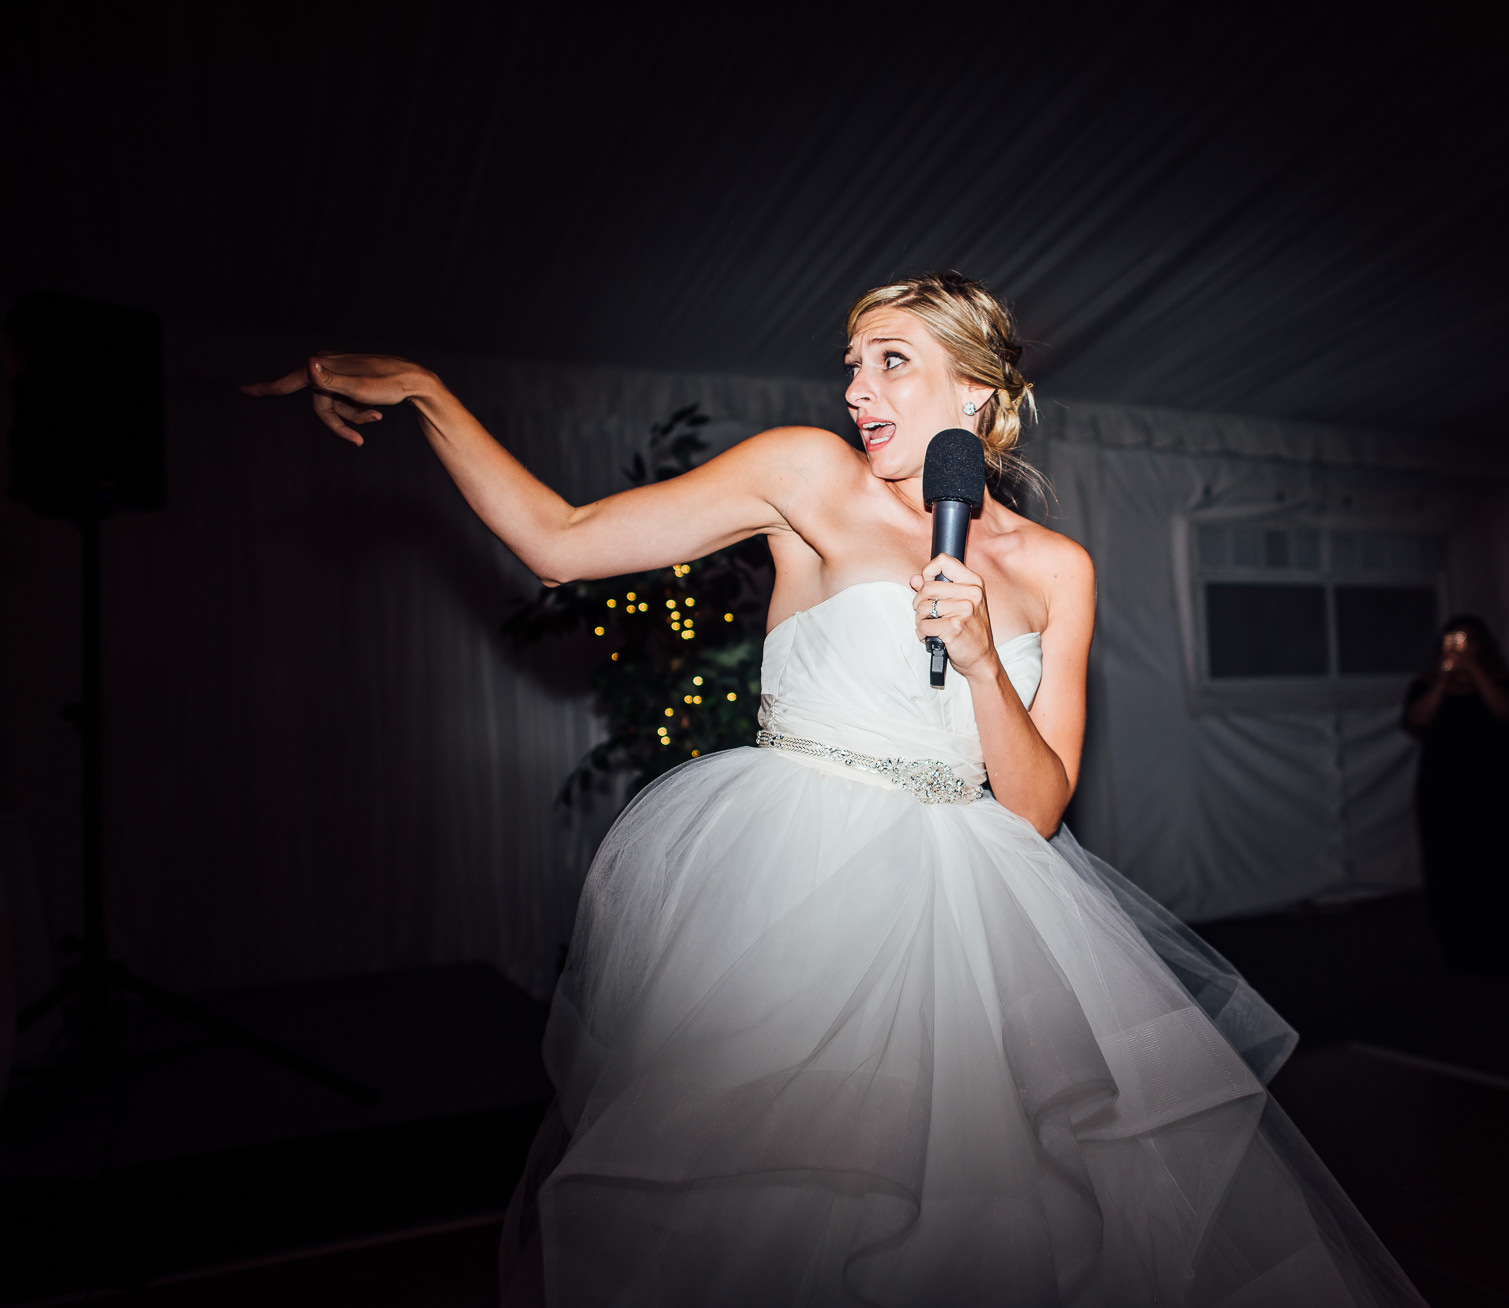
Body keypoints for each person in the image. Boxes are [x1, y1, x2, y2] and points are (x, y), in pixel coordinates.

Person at [247, 274, 1422, 1307]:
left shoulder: (1057, 569)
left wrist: (977, 665)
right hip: (797, 887)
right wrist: (428, 395)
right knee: (770, 1215)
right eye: (851, 363)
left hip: (979, 921)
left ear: (979, 394)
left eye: (891, 362)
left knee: (981, 1229)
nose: (858, 388)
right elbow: (559, 542)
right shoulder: (807, 476)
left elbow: (1036, 808)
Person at [1402, 616, 1509, 975]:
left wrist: (1476, 672)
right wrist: (1444, 680)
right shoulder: (1426, 683)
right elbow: (1416, 720)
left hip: (1492, 789)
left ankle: (1505, 952)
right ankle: (1458, 953)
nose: (1460, 648)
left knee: (1498, 869)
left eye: (1468, 642)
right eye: (1453, 641)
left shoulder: (1502, 680)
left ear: (1483, 646)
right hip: (1442, 791)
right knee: (1447, 871)